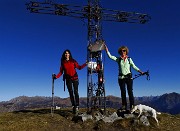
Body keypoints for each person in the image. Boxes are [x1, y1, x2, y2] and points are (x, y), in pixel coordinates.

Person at [105, 45, 144, 111]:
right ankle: (124, 106)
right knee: (123, 92)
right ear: (120, 52)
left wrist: (140, 71)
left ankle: (132, 106)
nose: (123, 52)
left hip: (129, 77)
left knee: (130, 92)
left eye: (124, 50)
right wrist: (107, 50)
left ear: (126, 52)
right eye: (121, 51)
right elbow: (110, 57)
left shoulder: (129, 59)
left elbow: (134, 66)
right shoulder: (118, 59)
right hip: (121, 78)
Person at [53, 49, 87, 114]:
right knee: (71, 93)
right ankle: (74, 106)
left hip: (75, 78)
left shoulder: (73, 61)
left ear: (69, 54)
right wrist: (56, 77)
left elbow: (79, 67)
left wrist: (85, 64)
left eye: (68, 53)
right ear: (64, 55)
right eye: (65, 53)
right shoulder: (63, 63)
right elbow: (61, 72)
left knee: (76, 92)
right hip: (68, 79)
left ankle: (77, 106)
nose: (67, 54)